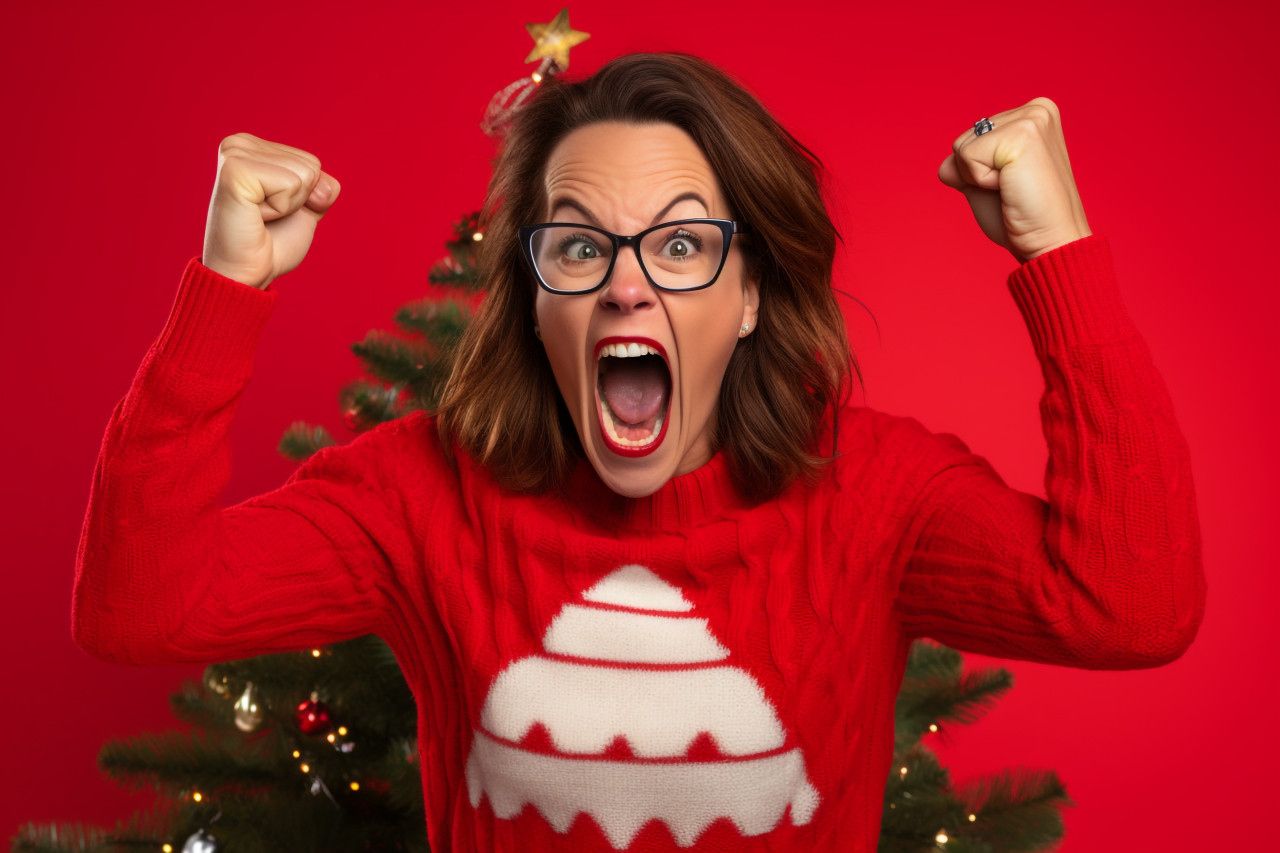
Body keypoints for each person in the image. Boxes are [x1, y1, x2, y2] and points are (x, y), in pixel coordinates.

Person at [72, 53, 1205, 852]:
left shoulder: (874, 494)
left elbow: (1129, 606)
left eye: (678, 243)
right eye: (577, 245)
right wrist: (228, 289)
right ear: (531, 297)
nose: (625, 281)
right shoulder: (416, 494)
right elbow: (139, 610)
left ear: (751, 294)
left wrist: (1055, 250)